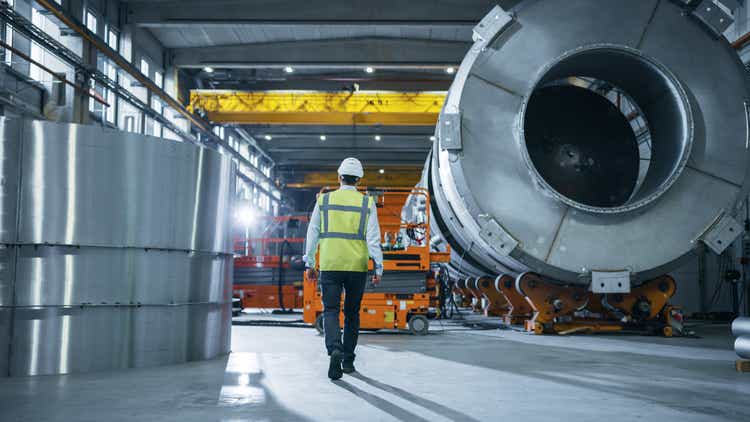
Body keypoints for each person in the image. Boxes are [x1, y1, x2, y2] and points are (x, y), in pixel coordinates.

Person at [304, 157, 383, 380]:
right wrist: (378, 268)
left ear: (339, 177)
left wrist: (310, 262)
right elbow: (374, 239)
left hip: (330, 264)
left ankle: (334, 348)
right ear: (358, 180)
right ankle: (347, 360)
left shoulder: (324, 200)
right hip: (356, 267)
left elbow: (313, 233)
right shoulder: (367, 203)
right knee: (351, 314)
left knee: (330, 310)